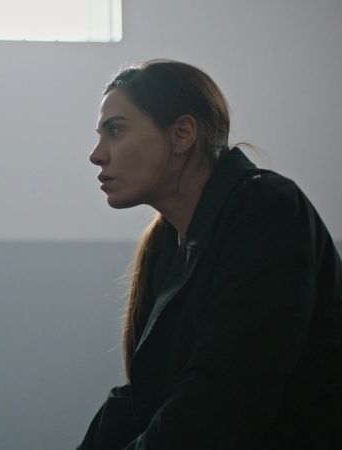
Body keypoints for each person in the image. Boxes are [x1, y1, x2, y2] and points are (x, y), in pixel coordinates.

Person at [79, 59, 342, 449]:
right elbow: (144, 399)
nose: (96, 155)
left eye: (115, 131)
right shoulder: (166, 242)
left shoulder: (269, 211)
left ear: (182, 134)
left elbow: (223, 399)